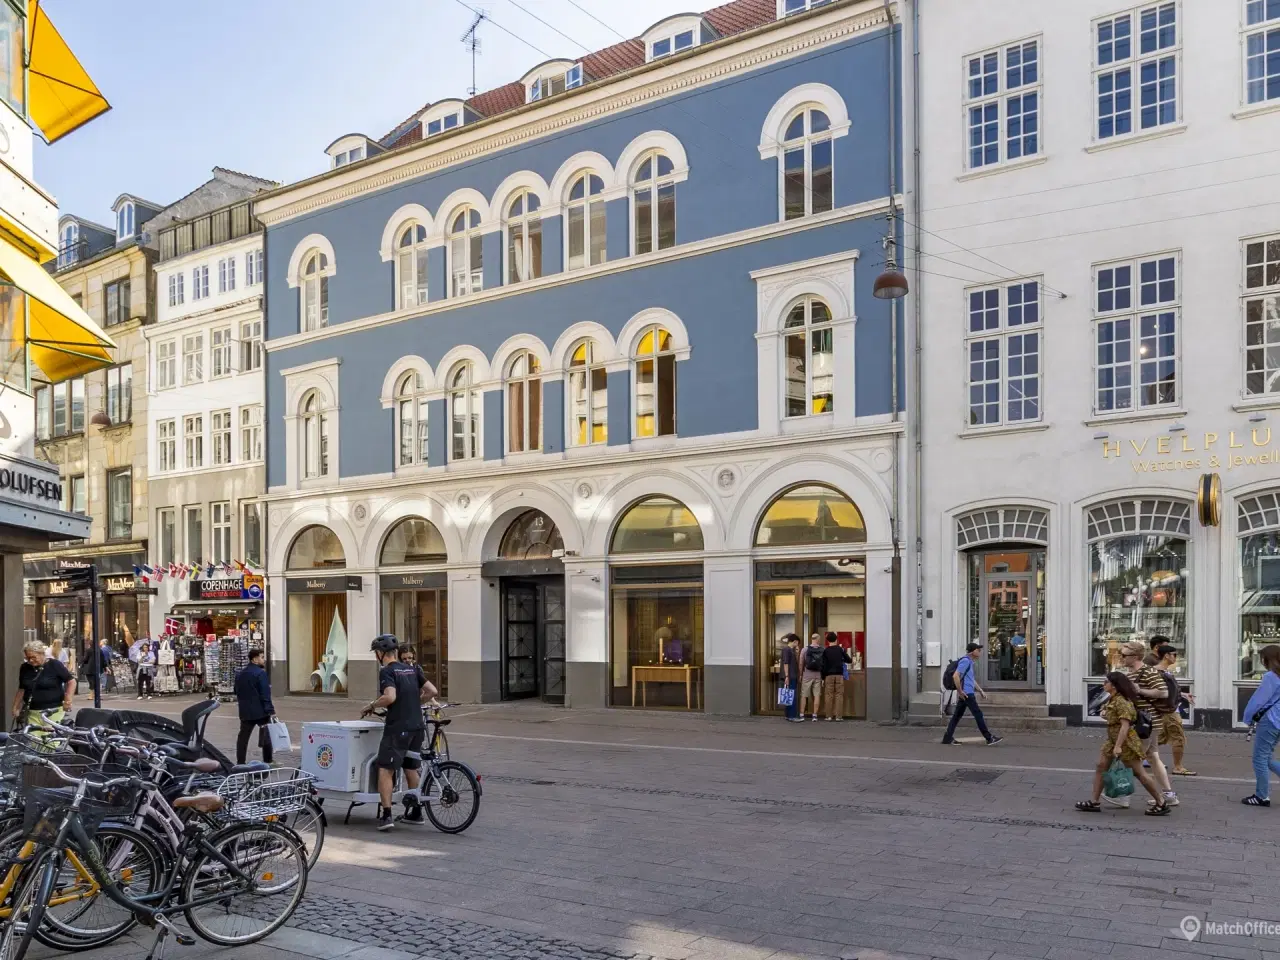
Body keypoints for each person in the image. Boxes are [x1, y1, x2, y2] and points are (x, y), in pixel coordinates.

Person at [361, 634, 437, 831]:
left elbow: (390, 696)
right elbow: (432, 691)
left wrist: (371, 705)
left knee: (385, 768)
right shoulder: (411, 669)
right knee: (411, 767)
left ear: (380, 653)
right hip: (418, 727)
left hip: (398, 728)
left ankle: (386, 816)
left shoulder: (387, 671)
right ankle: (416, 812)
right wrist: (413, 703)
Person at [1076, 672, 1170, 815]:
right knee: (1101, 766)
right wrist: (1105, 713)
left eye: (1105, 681)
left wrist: (1118, 746)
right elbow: (1111, 714)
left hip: (1125, 742)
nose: (1103, 684)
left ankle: (1161, 802)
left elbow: (1124, 726)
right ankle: (1094, 802)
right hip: (1112, 740)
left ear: (1114, 685)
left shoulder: (1122, 701)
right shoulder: (1113, 699)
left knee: (1140, 773)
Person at [1119, 640, 1177, 808]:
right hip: (1148, 722)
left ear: (1135, 656)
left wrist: (1140, 690)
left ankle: (1122, 795)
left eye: (1124, 655)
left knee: (1131, 759)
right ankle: (1169, 795)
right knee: (1153, 757)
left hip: (1146, 723)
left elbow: (1163, 692)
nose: (1121, 658)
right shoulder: (1130, 674)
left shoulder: (1148, 672)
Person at [941, 642, 1003, 746]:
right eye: (978, 650)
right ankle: (989, 738)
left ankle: (947, 738)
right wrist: (960, 692)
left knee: (956, 716)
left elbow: (971, 680)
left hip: (966, 693)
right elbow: (956, 676)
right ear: (972, 651)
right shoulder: (965, 661)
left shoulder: (969, 662)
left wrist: (980, 690)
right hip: (967, 694)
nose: (980, 652)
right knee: (978, 714)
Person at [1243, 644, 1280, 807]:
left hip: (1270, 720)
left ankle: (1261, 796)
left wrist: (1248, 717)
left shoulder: (1271, 677)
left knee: (1259, 758)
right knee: (1267, 757)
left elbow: (1259, 700)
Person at [10, 639, 75, 730]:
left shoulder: (54, 665)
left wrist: (68, 700)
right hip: (32, 711)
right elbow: (22, 689)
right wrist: (15, 707)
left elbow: (71, 681)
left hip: (53, 711)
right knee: (33, 742)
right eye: (28, 658)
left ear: (42, 654)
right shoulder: (25, 667)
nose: (31, 660)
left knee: (50, 741)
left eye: (33, 657)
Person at [1153, 643, 1195, 777]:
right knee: (1178, 738)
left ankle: (1131, 756)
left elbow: (1168, 691)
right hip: (1168, 712)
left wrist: (1182, 695)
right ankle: (1178, 767)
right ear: (1166, 656)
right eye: (1174, 655)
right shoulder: (1158, 672)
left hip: (1167, 710)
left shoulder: (1164, 671)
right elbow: (1158, 692)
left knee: (1158, 739)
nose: (1176, 657)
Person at [234, 648, 276, 765]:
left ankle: (240, 762)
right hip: (260, 712)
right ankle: (268, 760)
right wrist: (270, 710)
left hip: (245, 711)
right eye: (262, 657)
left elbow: (236, 691)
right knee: (266, 735)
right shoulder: (260, 673)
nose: (264, 660)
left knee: (243, 737)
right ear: (255, 659)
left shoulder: (240, 674)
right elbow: (265, 694)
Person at [821, 631, 852, 721]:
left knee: (829, 695)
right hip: (839, 675)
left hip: (829, 676)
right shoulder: (840, 649)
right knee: (839, 695)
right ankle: (838, 717)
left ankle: (829, 716)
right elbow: (849, 660)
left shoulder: (826, 651)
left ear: (827, 641)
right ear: (836, 639)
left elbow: (824, 665)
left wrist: (823, 677)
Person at [799, 633, 824, 722]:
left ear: (811, 639)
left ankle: (802, 714)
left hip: (807, 675)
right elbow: (823, 664)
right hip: (818, 675)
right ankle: (814, 715)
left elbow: (801, 663)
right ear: (818, 639)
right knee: (817, 695)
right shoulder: (822, 650)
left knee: (804, 695)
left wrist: (801, 674)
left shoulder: (805, 649)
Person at [779, 634, 802, 723]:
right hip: (790, 676)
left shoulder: (790, 650)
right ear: (795, 641)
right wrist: (787, 676)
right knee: (792, 696)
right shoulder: (787, 650)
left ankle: (789, 715)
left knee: (789, 695)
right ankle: (791, 716)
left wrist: (796, 653)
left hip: (791, 676)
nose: (798, 645)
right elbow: (786, 663)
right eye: (797, 643)